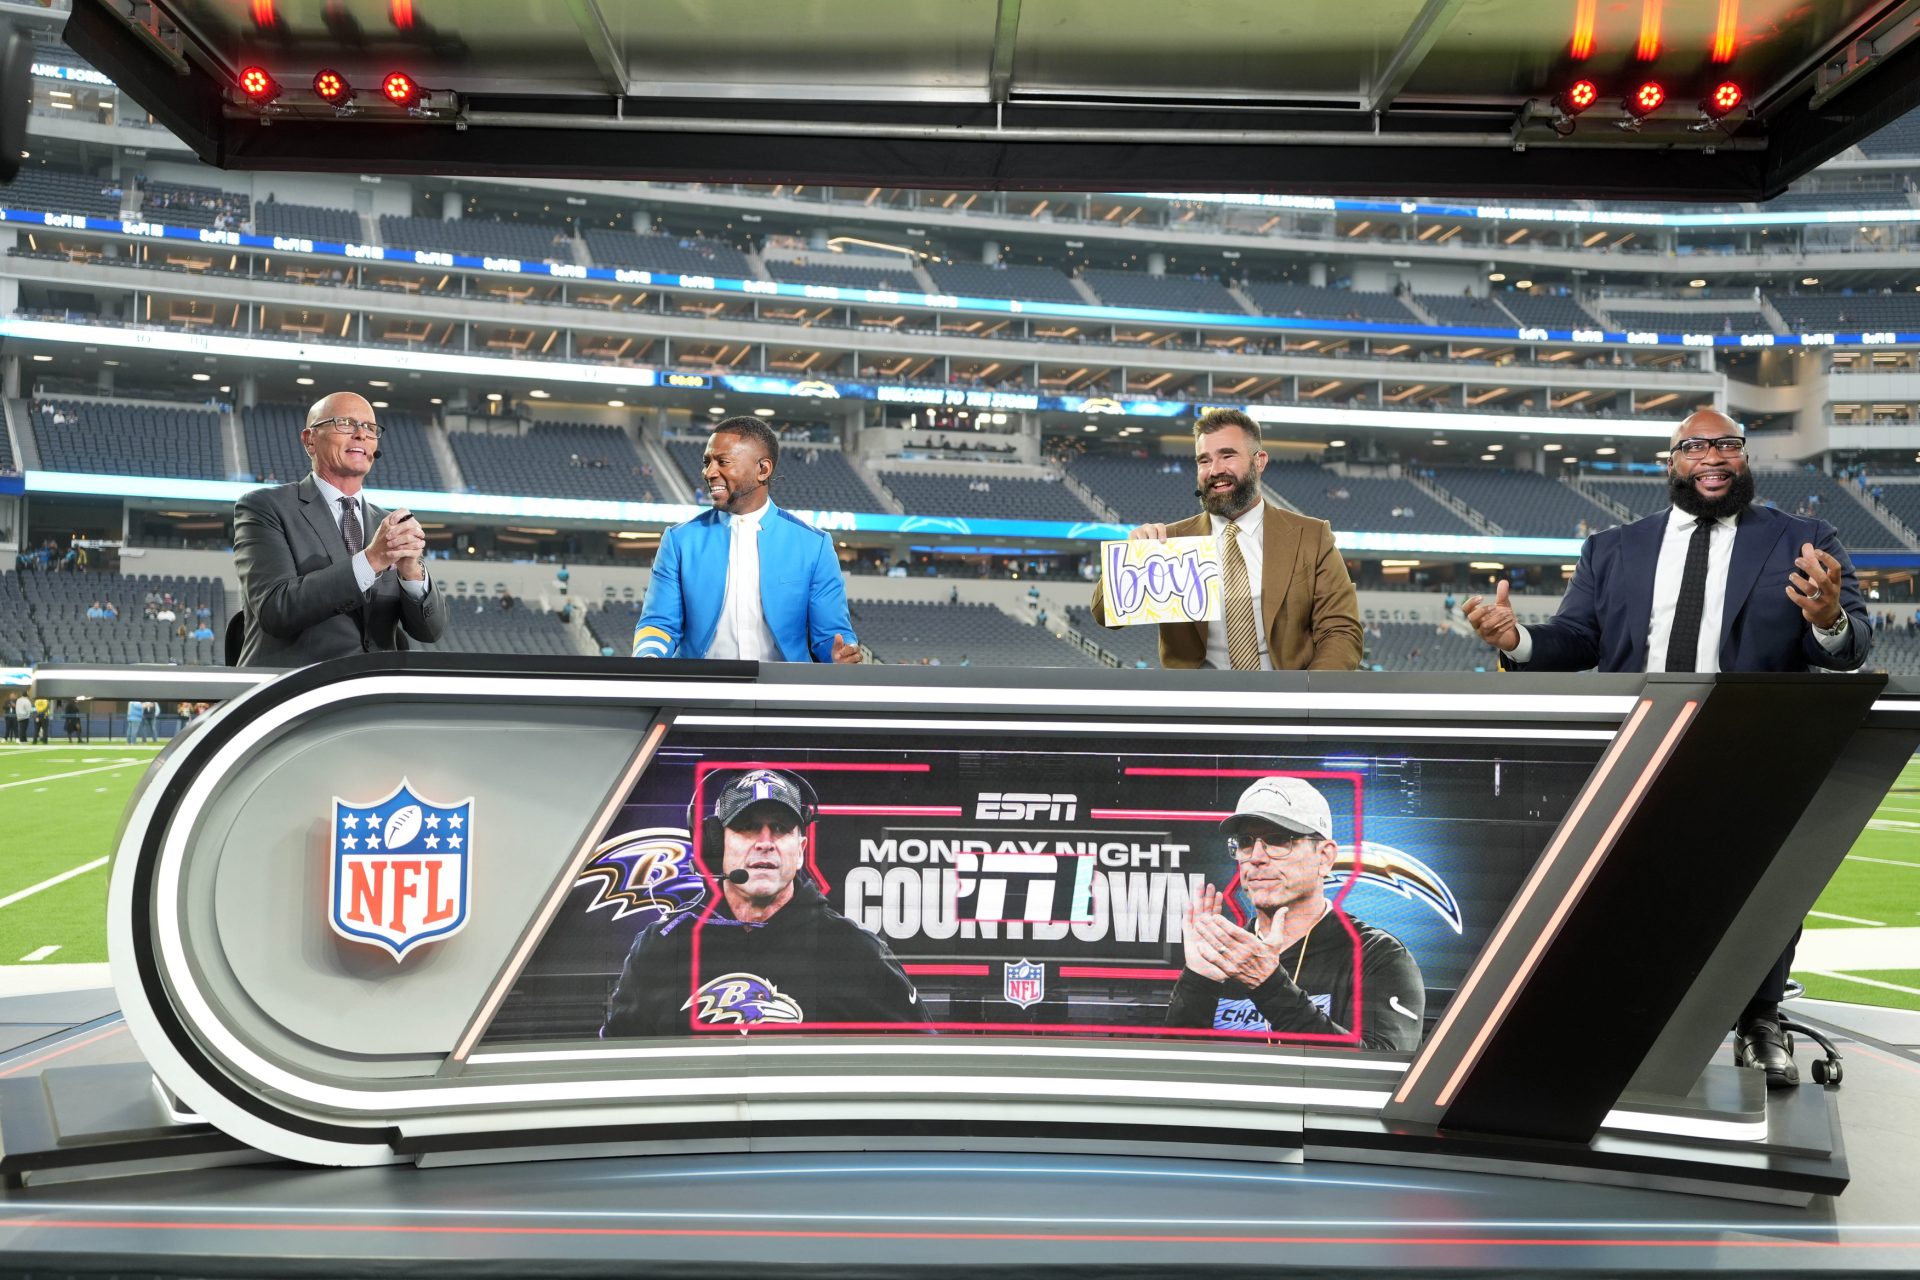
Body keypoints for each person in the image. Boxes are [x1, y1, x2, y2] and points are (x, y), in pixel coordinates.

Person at [1462, 409, 1870, 1089]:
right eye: (1695, 446)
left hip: (1752, 746)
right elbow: (1576, 640)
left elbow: (1853, 645)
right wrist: (1517, 641)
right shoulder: (1613, 548)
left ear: (1743, 458)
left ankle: (1760, 1018)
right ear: (1670, 461)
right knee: (1620, 889)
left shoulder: (1805, 539)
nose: (1713, 456)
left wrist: (1828, 619)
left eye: (1727, 445)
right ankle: (1613, 1021)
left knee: (1759, 892)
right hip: (1638, 745)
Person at [602, 769, 927, 1035]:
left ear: (800, 849)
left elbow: (920, 1065)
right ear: (717, 844)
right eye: (747, 827)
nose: (765, 843)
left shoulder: (857, 952)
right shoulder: (661, 947)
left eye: (781, 829)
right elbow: (615, 1064)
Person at [1165, 776, 1425, 1051]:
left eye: (1277, 840)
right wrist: (1198, 981)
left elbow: (1381, 1075)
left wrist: (1270, 987)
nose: (1256, 856)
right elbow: (1171, 1077)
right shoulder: (1224, 956)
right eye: (1245, 842)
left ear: (1324, 857)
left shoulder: (1378, 957)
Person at [1090, 408, 1362, 671]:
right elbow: (1104, 617)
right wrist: (1129, 562)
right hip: (1198, 707)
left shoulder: (1311, 537)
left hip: (1284, 704)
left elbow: (1340, 630)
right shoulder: (1168, 543)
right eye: (1204, 460)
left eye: (1227, 456)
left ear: (1259, 461)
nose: (1214, 470)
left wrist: (1307, 700)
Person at [233, 392, 446, 666]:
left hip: (373, 697)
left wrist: (412, 574)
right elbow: (277, 609)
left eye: (370, 428)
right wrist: (372, 560)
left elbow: (431, 631)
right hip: (296, 694)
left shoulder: (389, 525)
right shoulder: (265, 507)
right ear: (310, 440)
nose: (361, 434)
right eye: (345, 423)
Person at [631, 418, 860, 663]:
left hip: (784, 695)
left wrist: (839, 655)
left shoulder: (814, 545)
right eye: (707, 462)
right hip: (700, 693)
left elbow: (831, 636)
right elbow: (658, 624)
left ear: (763, 469)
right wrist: (648, 656)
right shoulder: (679, 541)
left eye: (723, 462)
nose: (709, 473)